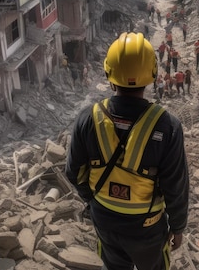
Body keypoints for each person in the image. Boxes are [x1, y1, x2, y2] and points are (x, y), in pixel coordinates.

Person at [66, 32, 189, 270]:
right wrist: (178, 227)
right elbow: (176, 186)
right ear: (152, 75)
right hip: (147, 224)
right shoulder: (167, 126)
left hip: (104, 217)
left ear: (109, 74)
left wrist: (93, 201)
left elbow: (74, 172)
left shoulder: (87, 118)